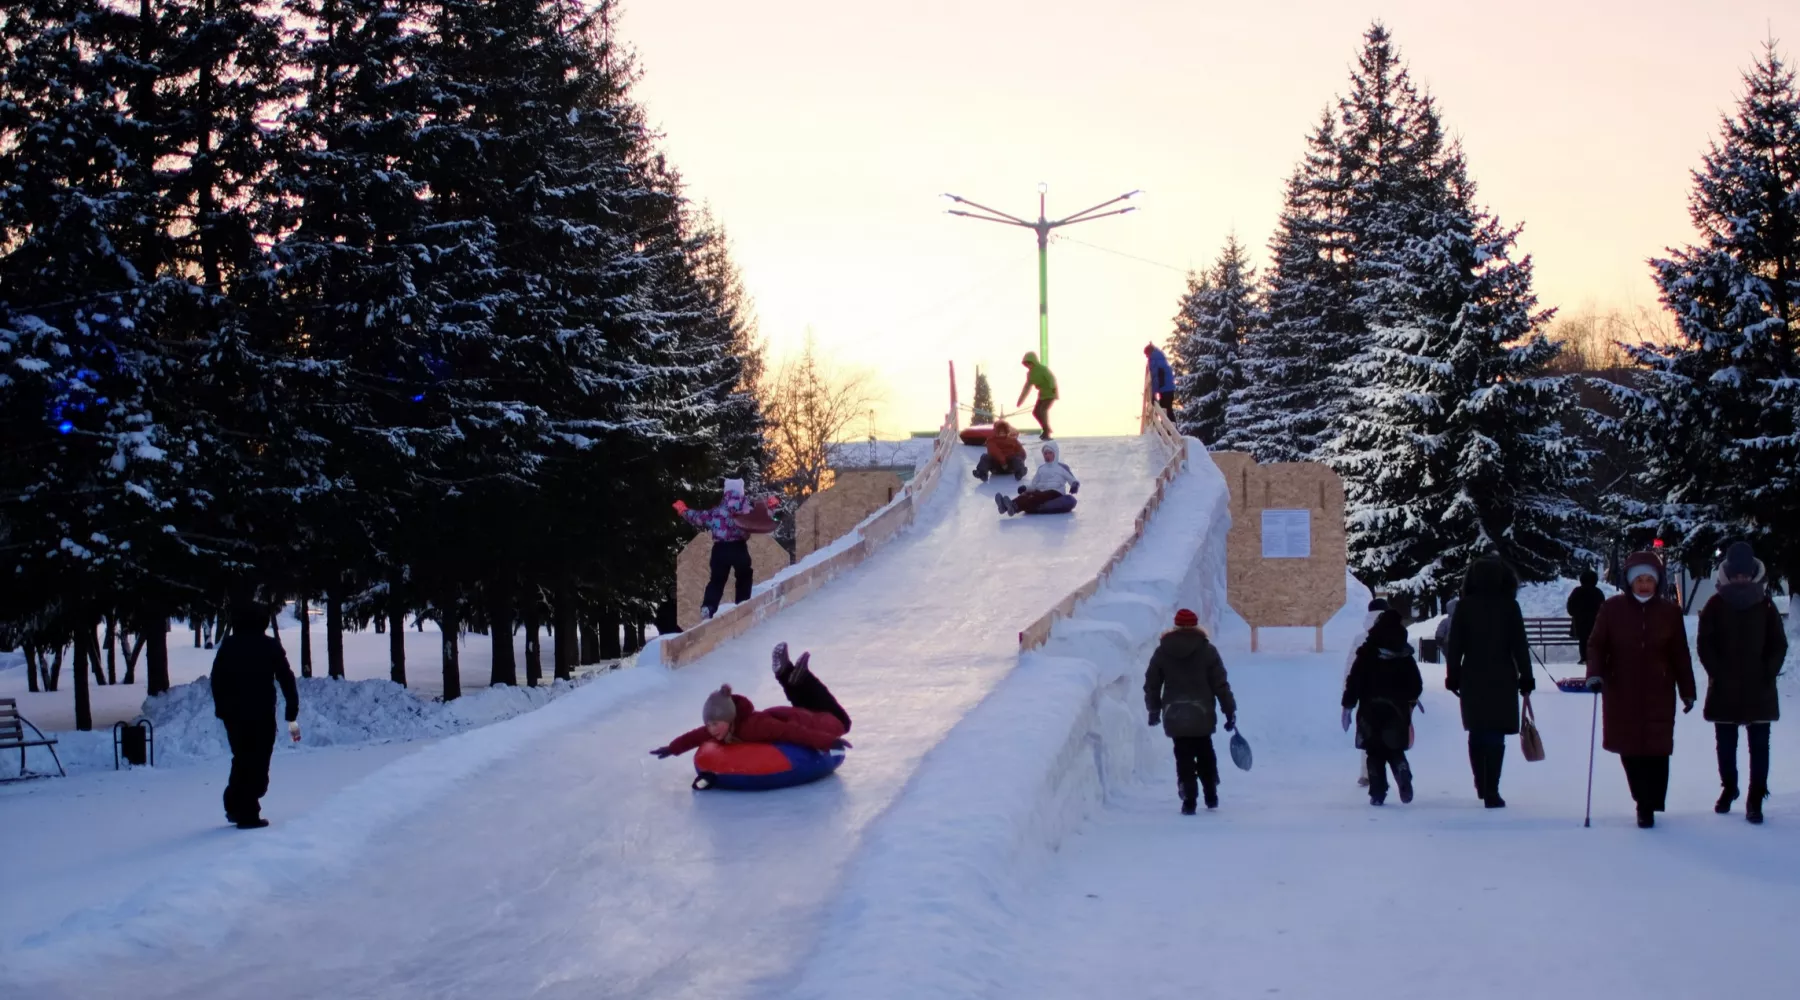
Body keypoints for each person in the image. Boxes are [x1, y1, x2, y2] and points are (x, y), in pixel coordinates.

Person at [1585, 550, 1697, 829]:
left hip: (1659, 688)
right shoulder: (1612, 609)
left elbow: (1680, 653)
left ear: (1657, 582)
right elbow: (1597, 644)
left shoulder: (1670, 613)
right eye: (1639, 579)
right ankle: (1642, 801)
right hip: (1621, 688)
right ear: (1629, 582)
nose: (1644, 584)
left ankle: (1651, 801)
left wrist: (1687, 689)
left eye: (1650, 579)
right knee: (1630, 747)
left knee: (1658, 748)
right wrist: (1595, 674)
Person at [1697, 541, 1788, 824]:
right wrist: (1716, 671)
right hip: (1724, 684)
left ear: (1752, 573)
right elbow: (1705, 643)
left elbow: (1778, 644)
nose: (1740, 579)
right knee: (1725, 744)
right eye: (1736, 575)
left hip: (1758, 685)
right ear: (1728, 573)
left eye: (1744, 574)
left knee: (1759, 745)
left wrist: (1767, 671)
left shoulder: (1766, 604)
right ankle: (1730, 787)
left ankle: (1755, 796)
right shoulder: (1715, 604)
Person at [651, 642, 851, 757]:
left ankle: (795, 676)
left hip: (818, 725)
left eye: (715, 724)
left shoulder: (754, 727)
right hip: (794, 715)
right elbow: (696, 736)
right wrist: (672, 748)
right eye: (709, 725)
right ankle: (792, 675)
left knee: (843, 721)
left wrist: (828, 741)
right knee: (808, 704)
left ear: (728, 719)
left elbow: (793, 732)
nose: (711, 730)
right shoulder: (724, 726)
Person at [1444, 557, 1534, 808]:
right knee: (1495, 734)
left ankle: (1480, 782)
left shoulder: (1465, 606)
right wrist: (1526, 677)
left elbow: (1455, 646)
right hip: (1503, 677)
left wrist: (1452, 675)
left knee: (1477, 731)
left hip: (1472, 675)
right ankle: (1492, 788)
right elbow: (1520, 646)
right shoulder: (1509, 606)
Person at [208, 600, 301, 829]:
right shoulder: (269, 646)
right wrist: (291, 708)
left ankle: (235, 804)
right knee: (256, 763)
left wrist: (222, 708)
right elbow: (286, 678)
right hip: (260, 715)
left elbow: (217, 680)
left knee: (243, 759)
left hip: (235, 716)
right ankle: (247, 813)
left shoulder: (229, 646)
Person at [1144, 609, 1237, 814]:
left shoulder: (1162, 651)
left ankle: (1189, 801)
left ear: (1175, 625)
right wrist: (1229, 711)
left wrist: (1154, 710)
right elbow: (1220, 684)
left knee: (1183, 755)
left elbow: (1152, 683)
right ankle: (1211, 795)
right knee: (1205, 750)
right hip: (1202, 713)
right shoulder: (1207, 651)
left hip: (1174, 714)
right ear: (1196, 626)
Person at [1343, 610, 1424, 806]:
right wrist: (1410, 700)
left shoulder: (1367, 651)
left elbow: (1354, 680)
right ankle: (1401, 768)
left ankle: (1377, 793)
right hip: (1397, 709)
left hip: (1370, 707)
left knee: (1374, 750)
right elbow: (1416, 684)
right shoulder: (1405, 654)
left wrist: (1348, 706)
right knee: (1394, 747)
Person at [676, 477, 779, 620]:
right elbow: (761, 517)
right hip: (738, 548)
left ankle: (708, 607)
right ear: (741, 491)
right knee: (744, 575)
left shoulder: (717, 511)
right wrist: (771, 506)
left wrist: (683, 510)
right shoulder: (746, 510)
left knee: (717, 580)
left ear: (726, 493)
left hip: (719, 550)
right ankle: (742, 604)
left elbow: (699, 517)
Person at [1344, 598, 1389, 788]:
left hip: (1366, 695)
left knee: (1368, 735)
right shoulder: (1395, 636)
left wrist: (1349, 695)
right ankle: (1393, 769)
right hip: (1391, 694)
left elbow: (1350, 669)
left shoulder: (1360, 639)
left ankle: (1366, 774)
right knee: (1391, 733)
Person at [995, 440, 1079, 516]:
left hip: (1055, 493)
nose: (1047, 456)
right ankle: (1005, 507)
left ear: (1055, 453)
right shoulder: (1041, 469)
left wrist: (1074, 485)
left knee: (1038, 496)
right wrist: (1025, 488)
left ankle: (1014, 507)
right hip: (1041, 492)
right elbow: (1034, 484)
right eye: (1045, 454)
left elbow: (1072, 480)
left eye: (1050, 453)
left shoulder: (1062, 467)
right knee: (1027, 495)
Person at [1015, 351, 1059, 440]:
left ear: (1033, 361)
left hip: (1050, 393)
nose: (1028, 365)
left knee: (1043, 410)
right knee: (1035, 412)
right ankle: (1046, 428)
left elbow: (1051, 378)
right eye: (1026, 364)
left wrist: (1053, 387)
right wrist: (1020, 400)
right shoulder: (1030, 374)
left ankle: (1046, 432)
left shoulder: (1043, 369)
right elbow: (1026, 388)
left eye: (1029, 363)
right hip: (1042, 395)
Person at [1566, 569, 1606, 664]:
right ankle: (1594, 658)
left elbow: (1570, 607)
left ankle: (1584, 658)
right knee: (1594, 642)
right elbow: (1603, 608)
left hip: (1580, 623)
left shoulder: (1577, 591)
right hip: (1595, 623)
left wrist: (1576, 614)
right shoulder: (1598, 592)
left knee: (1583, 641)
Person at [1144, 343, 1176, 419]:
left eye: (1146, 354)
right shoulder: (1159, 357)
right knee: (1167, 409)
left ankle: (1171, 429)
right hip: (1168, 388)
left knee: (1165, 409)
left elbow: (1155, 378)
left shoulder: (1154, 360)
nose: (1146, 356)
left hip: (1165, 389)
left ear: (1149, 352)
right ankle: (1170, 428)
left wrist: (1153, 394)